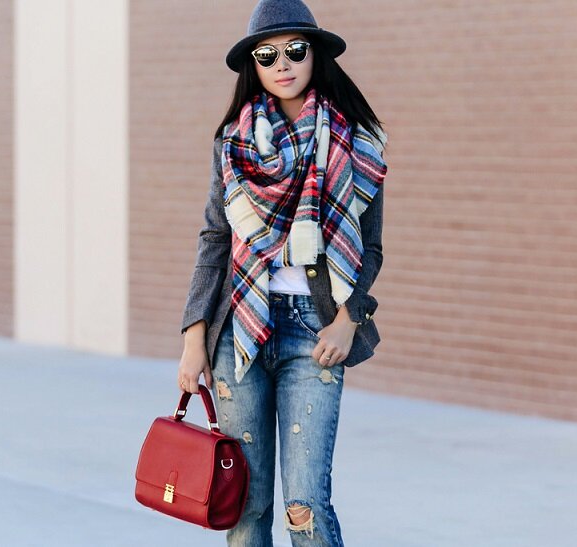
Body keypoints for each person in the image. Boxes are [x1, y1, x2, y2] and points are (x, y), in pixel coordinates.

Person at [177, 0, 388, 544]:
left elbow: (369, 249)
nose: (283, 64)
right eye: (267, 55)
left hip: (315, 332)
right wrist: (194, 338)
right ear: (254, 65)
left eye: (295, 50)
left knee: (305, 504)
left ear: (315, 53)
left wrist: (348, 319)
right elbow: (215, 239)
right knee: (246, 507)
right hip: (238, 332)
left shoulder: (357, 142)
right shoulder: (233, 143)